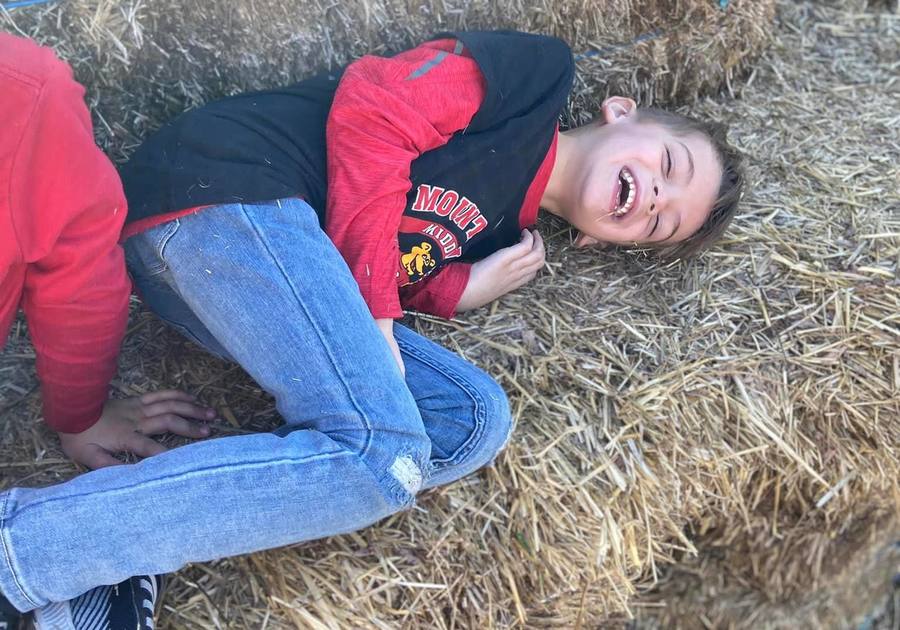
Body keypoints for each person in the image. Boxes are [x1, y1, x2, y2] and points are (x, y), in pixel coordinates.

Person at [0, 30, 743, 621]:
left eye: (658, 225)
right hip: (228, 191)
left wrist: (455, 285)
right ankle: (20, 556)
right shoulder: (534, 77)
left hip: (227, 276)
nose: (652, 199)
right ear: (621, 111)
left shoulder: (498, 239)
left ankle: (109, 540)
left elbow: (369, 267)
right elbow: (373, 108)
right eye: (668, 164)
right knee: (380, 456)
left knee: (468, 420)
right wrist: (386, 312)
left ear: (600, 242)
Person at [0, 32, 217, 628]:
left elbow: (78, 273)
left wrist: (78, 410)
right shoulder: (21, 89)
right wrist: (78, 413)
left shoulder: (20, 93)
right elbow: (78, 276)